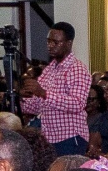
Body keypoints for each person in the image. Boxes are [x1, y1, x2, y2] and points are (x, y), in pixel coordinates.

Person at [32, 21, 94, 156]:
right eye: (48, 41)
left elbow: (77, 103)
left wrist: (43, 93)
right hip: (49, 137)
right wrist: (23, 98)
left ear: (69, 43)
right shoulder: (49, 69)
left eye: (55, 42)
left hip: (70, 138)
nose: (50, 45)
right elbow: (40, 106)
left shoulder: (76, 68)